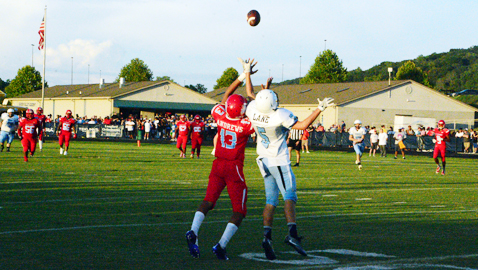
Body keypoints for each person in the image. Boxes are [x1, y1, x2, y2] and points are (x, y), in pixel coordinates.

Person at [245, 66, 334, 259]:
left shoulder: (252, 110)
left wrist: (249, 76)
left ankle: (267, 237)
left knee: (270, 201)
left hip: (263, 160)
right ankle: (292, 235)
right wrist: (319, 108)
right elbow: (301, 126)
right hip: (278, 161)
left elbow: (250, 93)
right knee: (290, 196)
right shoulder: (279, 114)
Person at [185, 59, 256, 261]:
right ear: (241, 110)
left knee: (208, 201)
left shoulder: (221, 116)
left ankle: (193, 230)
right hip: (233, 168)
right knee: (239, 211)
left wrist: (242, 76)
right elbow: (255, 106)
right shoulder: (245, 125)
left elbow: (225, 97)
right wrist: (252, 81)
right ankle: (221, 245)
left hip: (217, 164)